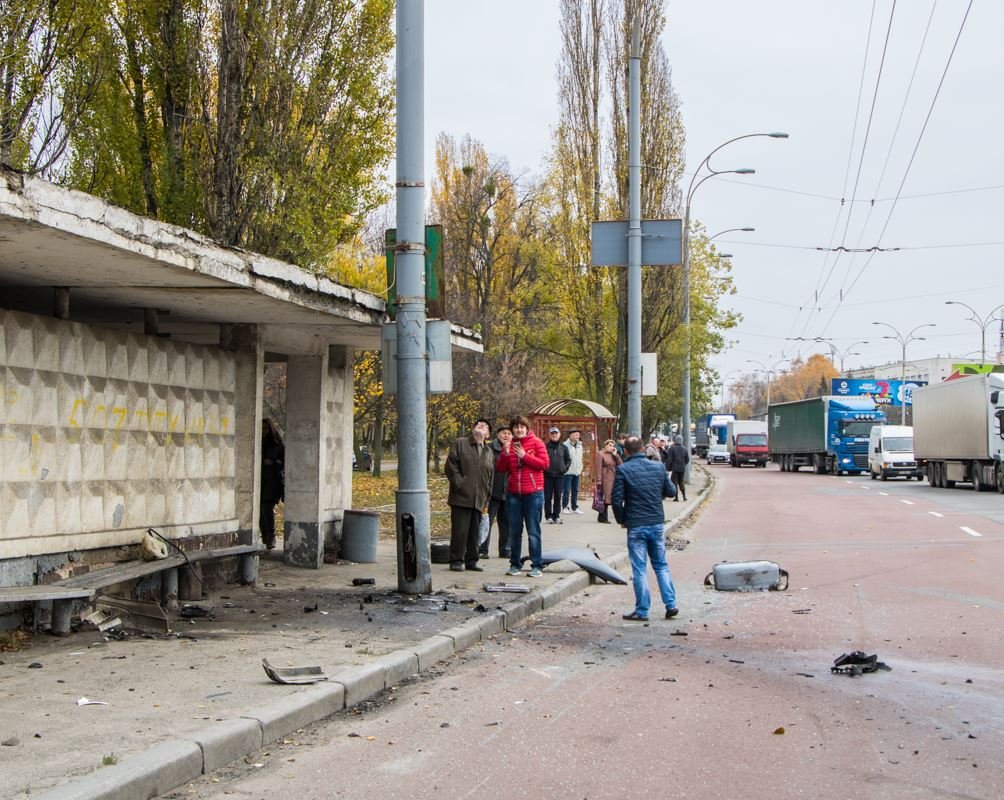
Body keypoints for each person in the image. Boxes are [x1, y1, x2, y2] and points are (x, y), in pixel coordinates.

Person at [611, 435, 679, 621]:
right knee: (661, 565)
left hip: (635, 524)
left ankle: (642, 610)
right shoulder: (658, 467)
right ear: (643, 448)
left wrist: (622, 519)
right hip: (656, 523)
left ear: (626, 451)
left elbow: (616, 500)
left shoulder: (623, 470)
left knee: (639, 569)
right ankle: (671, 604)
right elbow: (671, 492)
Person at [496, 415, 549, 578]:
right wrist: (505, 454)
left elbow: (545, 464)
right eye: (516, 427)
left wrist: (525, 456)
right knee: (514, 532)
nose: (519, 430)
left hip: (533, 493)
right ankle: (515, 564)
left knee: (533, 531)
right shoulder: (509, 445)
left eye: (522, 427)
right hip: (514, 494)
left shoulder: (537, 443)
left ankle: (537, 565)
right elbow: (501, 469)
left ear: (527, 428)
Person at [444, 419, 495, 572]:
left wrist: (487, 498)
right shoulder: (461, 443)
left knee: (474, 532)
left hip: (480, 498)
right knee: (460, 531)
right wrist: (460, 484)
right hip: (461, 496)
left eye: (485, 426)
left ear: (488, 435)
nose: (482, 425)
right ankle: (456, 560)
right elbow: (451, 466)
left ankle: (472, 561)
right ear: (473, 429)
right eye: (479, 424)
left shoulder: (489, 452)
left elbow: (490, 477)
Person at [482, 426, 512, 559]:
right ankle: (482, 549)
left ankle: (505, 550)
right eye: (504, 433)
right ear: (498, 434)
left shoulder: (515, 449)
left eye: (509, 433)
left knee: (506, 524)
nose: (506, 435)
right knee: (486, 522)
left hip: (508, 493)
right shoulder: (488, 448)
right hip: (492, 492)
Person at [260, 419, 285, 550]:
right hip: (261, 480)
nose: (263, 431)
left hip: (273, 481)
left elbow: (284, 461)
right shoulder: (258, 442)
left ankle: (271, 535)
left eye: (265, 428)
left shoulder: (277, 444)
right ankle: (265, 537)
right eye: (261, 429)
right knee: (260, 511)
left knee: (266, 508)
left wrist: (273, 462)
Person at [543, 426, 571, 524]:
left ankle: (556, 516)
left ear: (559, 435)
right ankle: (548, 516)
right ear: (549, 435)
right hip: (548, 476)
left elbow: (568, 460)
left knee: (558, 496)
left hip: (560, 476)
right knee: (547, 497)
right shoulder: (545, 447)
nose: (554, 435)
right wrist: (545, 469)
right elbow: (541, 458)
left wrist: (565, 468)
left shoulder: (564, 447)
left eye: (556, 433)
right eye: (552, 433)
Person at [597, 439, 622, 523]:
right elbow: (598, 468)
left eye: (613, 446)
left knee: (610, 497)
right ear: (605, 446)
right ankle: (603, 517)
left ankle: (602, 516)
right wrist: (599, 479)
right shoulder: (600, 454)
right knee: (606, 497)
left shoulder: (614, 455)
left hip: (613, 477)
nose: (611, 447)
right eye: (609, 445)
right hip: (605, 478)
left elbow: (621, 465)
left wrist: (616, 455)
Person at [561, 429, 584, 514]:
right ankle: (565, 507)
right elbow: (562, 458)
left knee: (575, 490)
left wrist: (581, 467)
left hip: (577, 471)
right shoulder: (565, 445)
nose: (578, 436)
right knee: (566, 490)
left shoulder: (580, 445)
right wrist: (564, 468)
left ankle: (575, 507)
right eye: (576, 434)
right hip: (568, 472)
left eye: (578, 435)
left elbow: (580, 457)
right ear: (570, 435)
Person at [666, 434, 690, 501]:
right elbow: (687, 459)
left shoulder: (672, 448)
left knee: (674, 483)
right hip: (682, 468)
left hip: (674, 468)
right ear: (682, 441)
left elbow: (669, 460)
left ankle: (676, 497)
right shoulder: (685, 449)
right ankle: (684, 496)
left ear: (675, 440)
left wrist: (667, 468)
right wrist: (683, 464)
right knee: (681, 482)